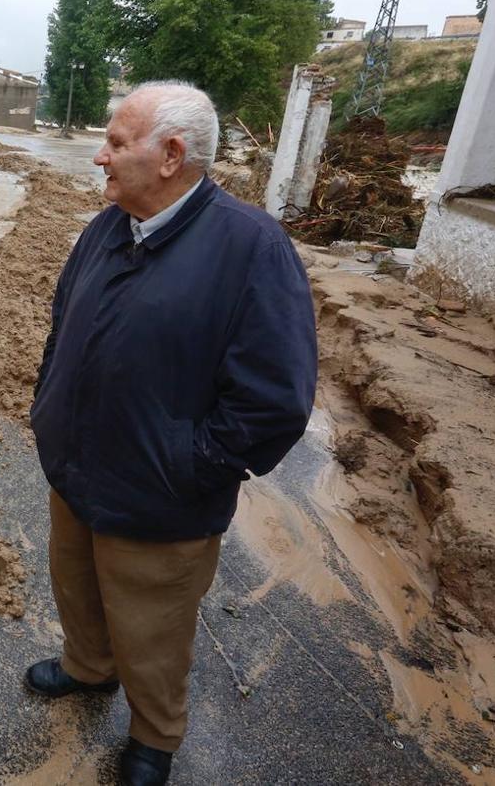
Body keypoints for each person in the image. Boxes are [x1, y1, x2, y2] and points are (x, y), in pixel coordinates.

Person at [25, 81, 317, 785]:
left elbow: (274, 401)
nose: (100, 157)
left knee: (153, 631)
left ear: (171, 155)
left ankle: (155, 736)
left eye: (117, 143)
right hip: (76, 471)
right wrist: (49, 408)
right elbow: (64, 326)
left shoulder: (252, 250)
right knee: (77, 588)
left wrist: (187, 465)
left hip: (162, 500)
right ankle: (88, 668)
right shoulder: (107, 225)